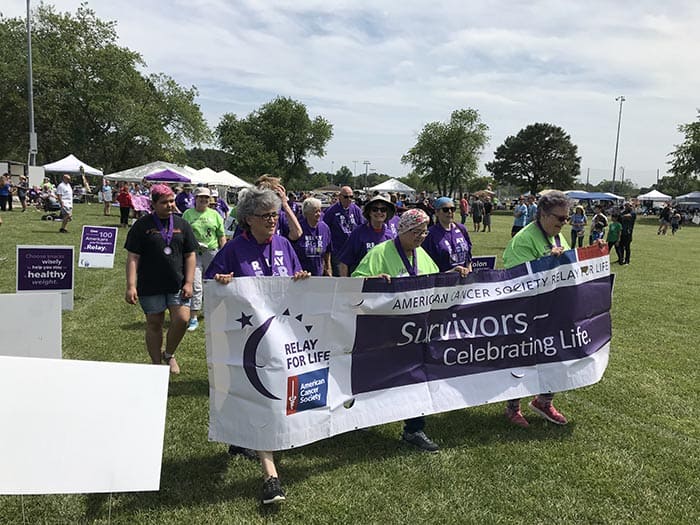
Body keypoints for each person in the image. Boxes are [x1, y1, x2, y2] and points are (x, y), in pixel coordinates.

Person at [205, 187, 311, 505]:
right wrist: (222, 281)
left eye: (275, 215)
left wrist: (302, 278)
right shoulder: (235, 249)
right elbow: (211, 285)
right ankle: (271, 478)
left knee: (272, 394)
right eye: (266, 216)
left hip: (281, 337)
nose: (273, 221)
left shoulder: (282, 244)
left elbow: (294, 278)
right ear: (249, 220)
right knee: (263, 395)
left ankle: (241, 440)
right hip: (249, 340)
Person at [352, 208, 465, 453]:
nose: (422, 236)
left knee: (418, 379)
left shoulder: (421, 255)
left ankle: (414, 429)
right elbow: (356, 280)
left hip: (416, 332)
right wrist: (374, 280)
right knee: (378, 376)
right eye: (416, 231)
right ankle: (362, 415)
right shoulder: (379, 253)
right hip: (384, 332)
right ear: (402, 230)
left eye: (425, 231)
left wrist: (451, 275)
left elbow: (433, 282)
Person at [502, 190, 571, 428]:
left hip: (553, 309)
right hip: (526, 312)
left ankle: (544, 401)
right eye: (559, 218)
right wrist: (548, 262)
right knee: (522, 360)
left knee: (556, 355)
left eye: (566, 218)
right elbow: (516, 278)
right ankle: (512, 408)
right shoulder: (523, 240)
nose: (563, 223)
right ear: (542, 214)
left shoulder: (559, 237)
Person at [124, 184, 197, 375]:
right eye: (164, 202)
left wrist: (189, 282)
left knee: (182, 319)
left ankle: (169, 354)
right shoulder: (142, 225)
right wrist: (131, 286)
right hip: (150, 284)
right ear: (153, 204)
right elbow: (133, 257)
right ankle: (156, 364)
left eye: (172, 201)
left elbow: (190, 255)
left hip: (177, 283)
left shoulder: (182, 225)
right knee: (154, 323)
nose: (170, 205)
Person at [182, 187, 227, 331]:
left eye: (206, 198)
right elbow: (183, 234)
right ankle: (193, 316)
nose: (204, 200)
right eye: (201, 197)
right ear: (195, 198)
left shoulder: (215, 215)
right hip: (194, 254)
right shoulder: (188, 214)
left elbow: (221, 235)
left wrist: (223, 252)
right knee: (196, 284)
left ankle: (214, 313)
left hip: (211, 252)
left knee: (213, 283)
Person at [338, 194, 396, 276]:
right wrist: (344, 285)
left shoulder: (390, 235)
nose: (379, 212)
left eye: (383, 209)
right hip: (361, 282)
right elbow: (344, 262)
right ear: (369, 212)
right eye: (375, 209)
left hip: (385, 283)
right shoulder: (358, 233)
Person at [422, 196, 473, 274]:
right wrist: (451, 272)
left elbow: (468, 256)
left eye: (452, 209)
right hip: (442, 282)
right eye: (445, 210)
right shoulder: (430, 234)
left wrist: (469, 272)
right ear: (436, 212)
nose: (450, 212)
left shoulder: (461, 229)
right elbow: (427, 267)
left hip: (463, 280)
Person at [322, 185, 364, 276]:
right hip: (338, 251)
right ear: (340, 197)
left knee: (353, 276)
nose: (349, 199)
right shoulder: (331, 211)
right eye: (346, 197)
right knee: (340, 278)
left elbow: (362, 226)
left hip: (353, 250)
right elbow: (325, 228)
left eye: (351, 197)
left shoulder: (356, 210)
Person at [293, 197, 332, 276]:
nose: (318, 214)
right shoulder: (299, 228)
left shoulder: (324, 228)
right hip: (301, 275)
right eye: (315, 211)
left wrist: (328, 268)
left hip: (318, 274)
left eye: (319, 211)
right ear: (307, 213)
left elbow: (327, 251)